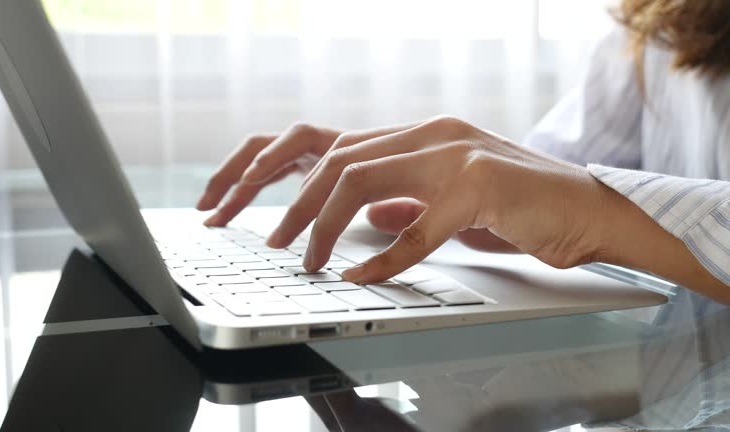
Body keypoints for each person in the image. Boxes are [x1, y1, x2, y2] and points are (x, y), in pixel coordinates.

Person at [196, 0, 730, 304]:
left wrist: (588, 216)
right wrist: (398, 169)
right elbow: (558, 173)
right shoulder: (660, 18)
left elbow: (587, 203)